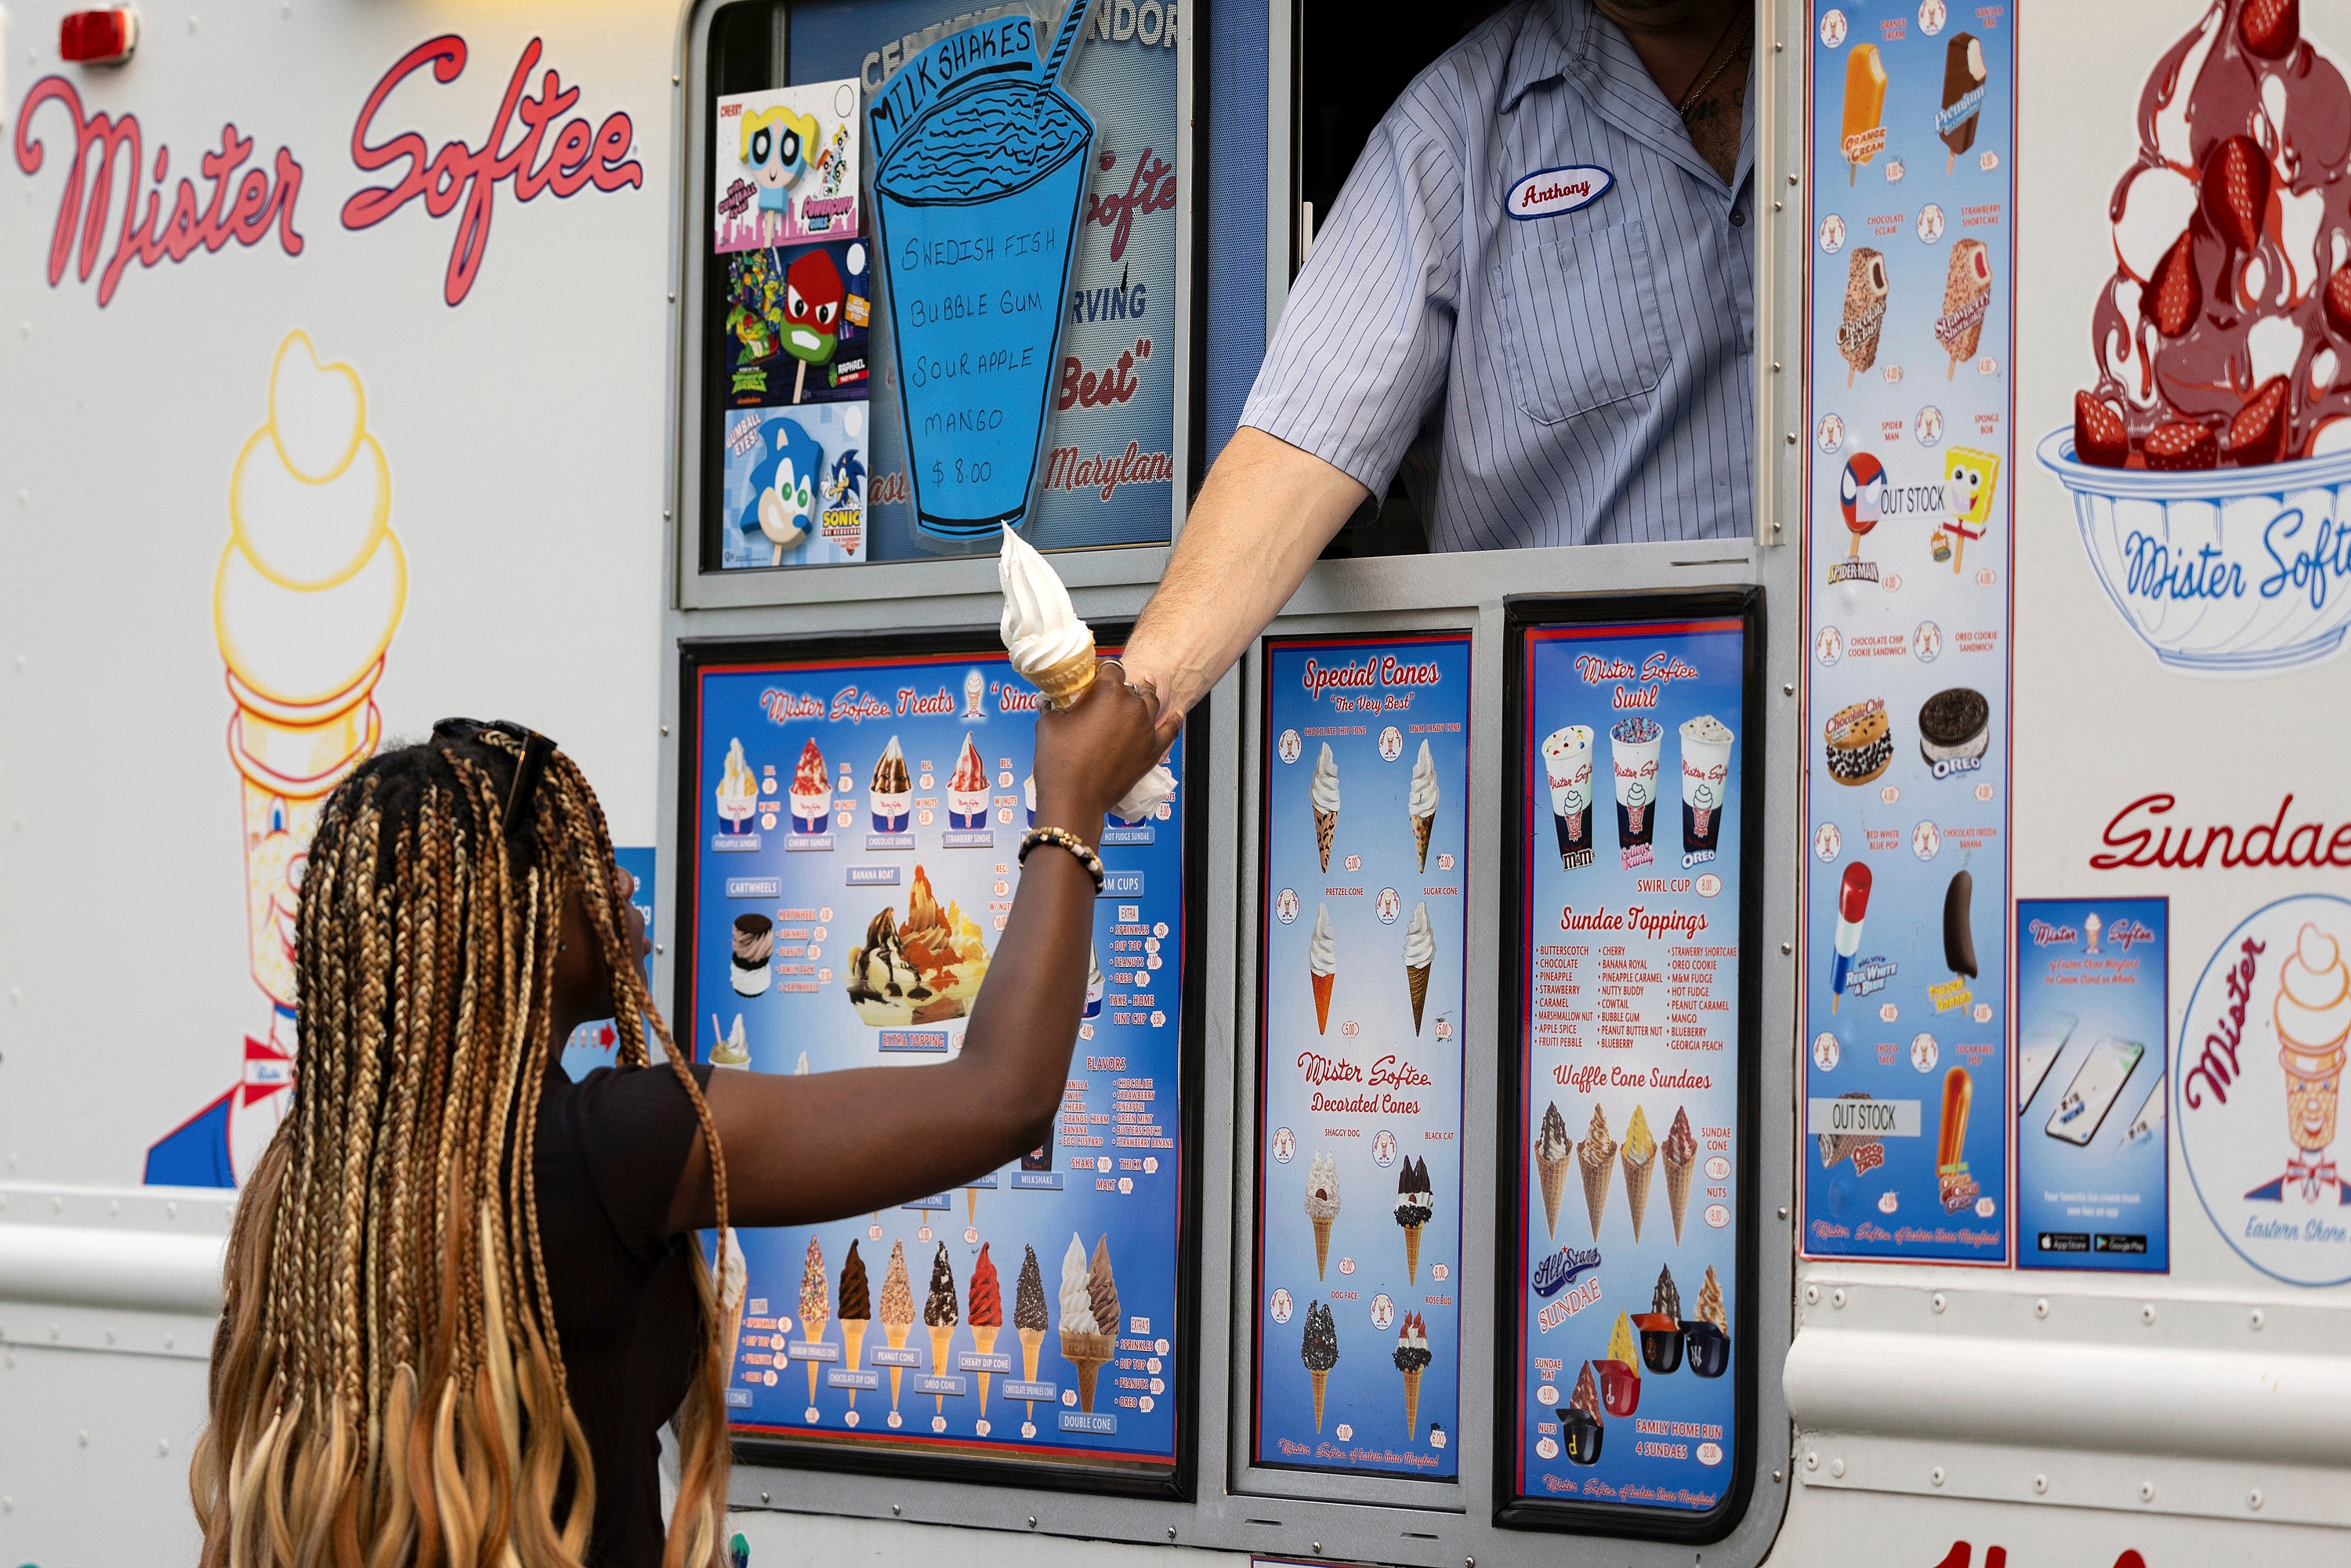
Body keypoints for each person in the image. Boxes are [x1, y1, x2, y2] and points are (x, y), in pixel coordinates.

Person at [190, 679, 1163, 1566]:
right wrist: (1070, 805)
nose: (618, 884)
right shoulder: (607, 1148)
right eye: (582, 861)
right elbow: (1002, 1097)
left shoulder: (304, 1172)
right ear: (511, 920)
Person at [1122, 0, 1755, 733]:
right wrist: (1140, 695)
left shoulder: (1876, 54)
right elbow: (1296, 448)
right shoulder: (1454, 127)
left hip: (1855, 714)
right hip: (1589, 745)